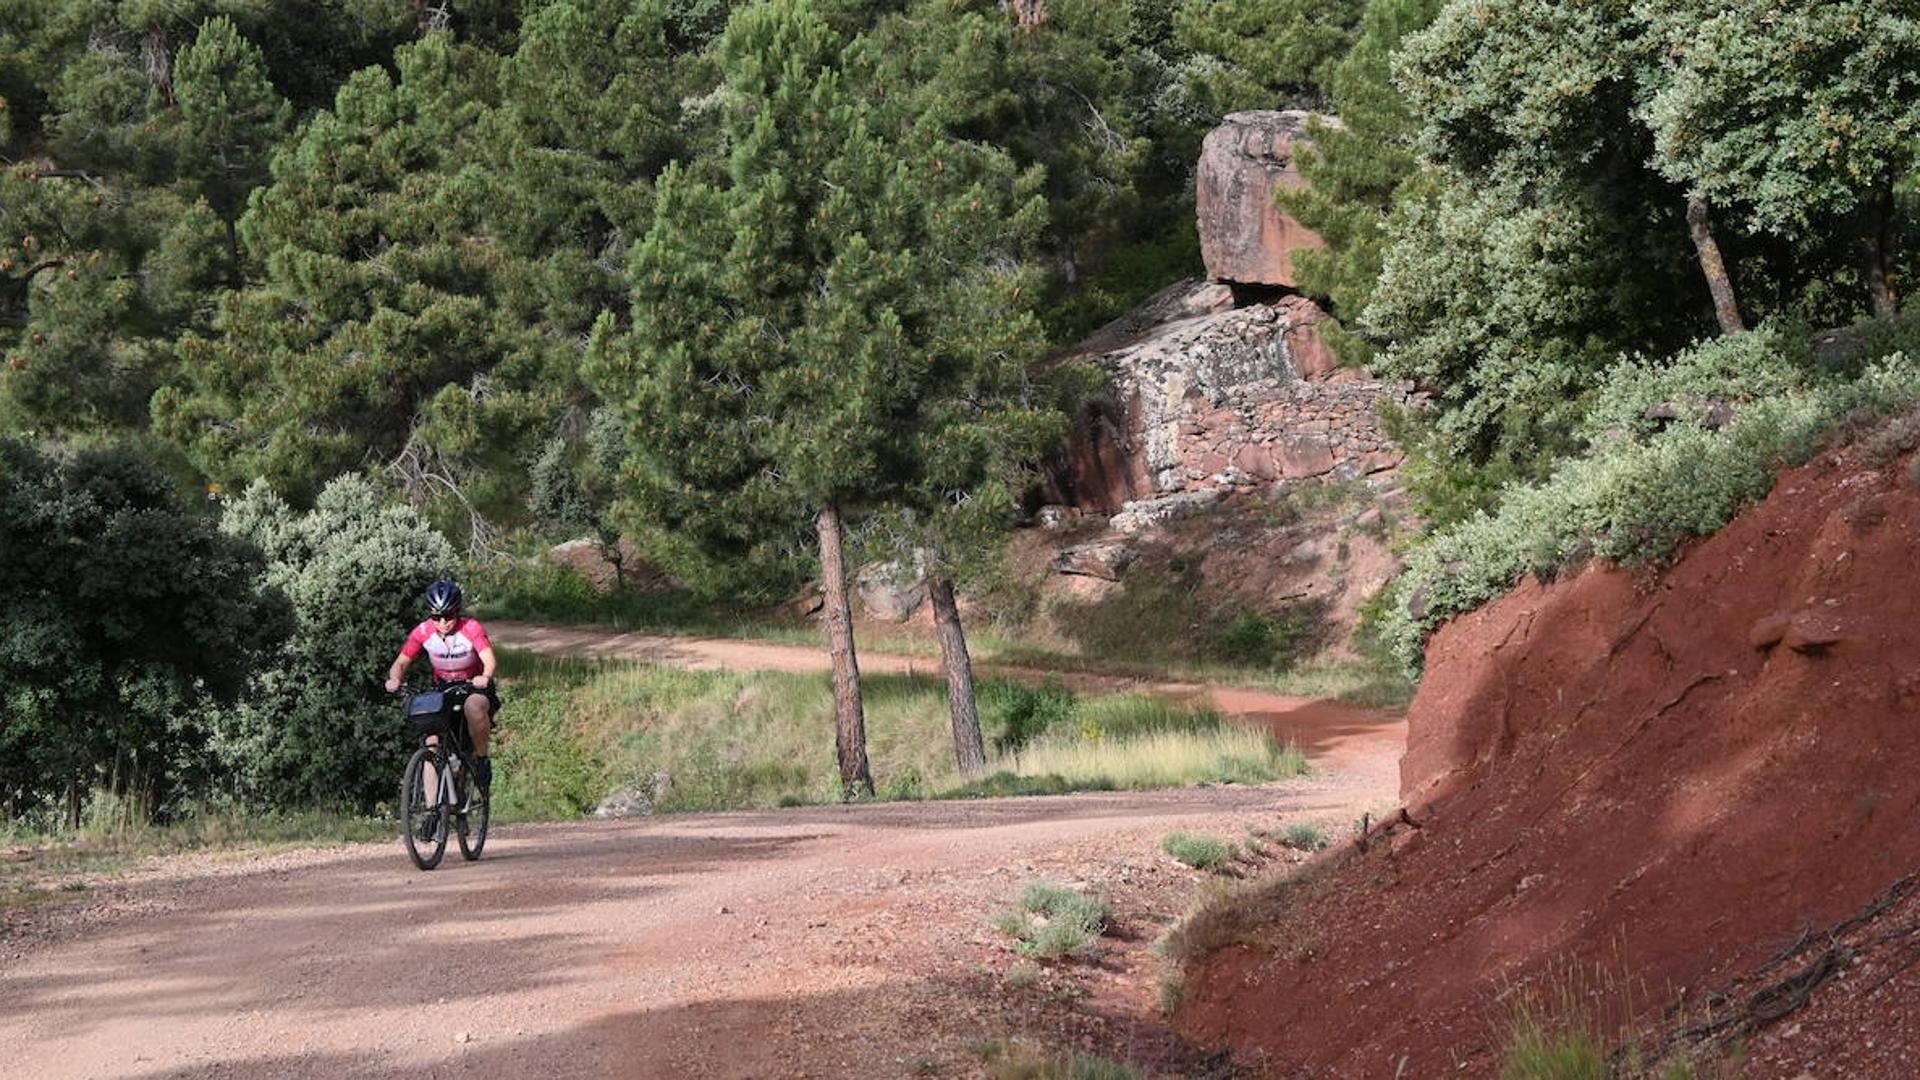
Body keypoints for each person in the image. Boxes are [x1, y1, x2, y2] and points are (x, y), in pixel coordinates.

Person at [384, 580, 499, 798]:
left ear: (457, 612)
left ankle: (482, 760)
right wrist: (394, 679)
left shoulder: (471, 628)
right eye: (436, 617)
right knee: (431, 744)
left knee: (474, 707)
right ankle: (432, 813)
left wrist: (485, 676)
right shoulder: (423, 631)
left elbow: (489, 660)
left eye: (448, 615)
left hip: (473, 685)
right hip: (444, 689)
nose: (443, 622)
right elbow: (400, 663)